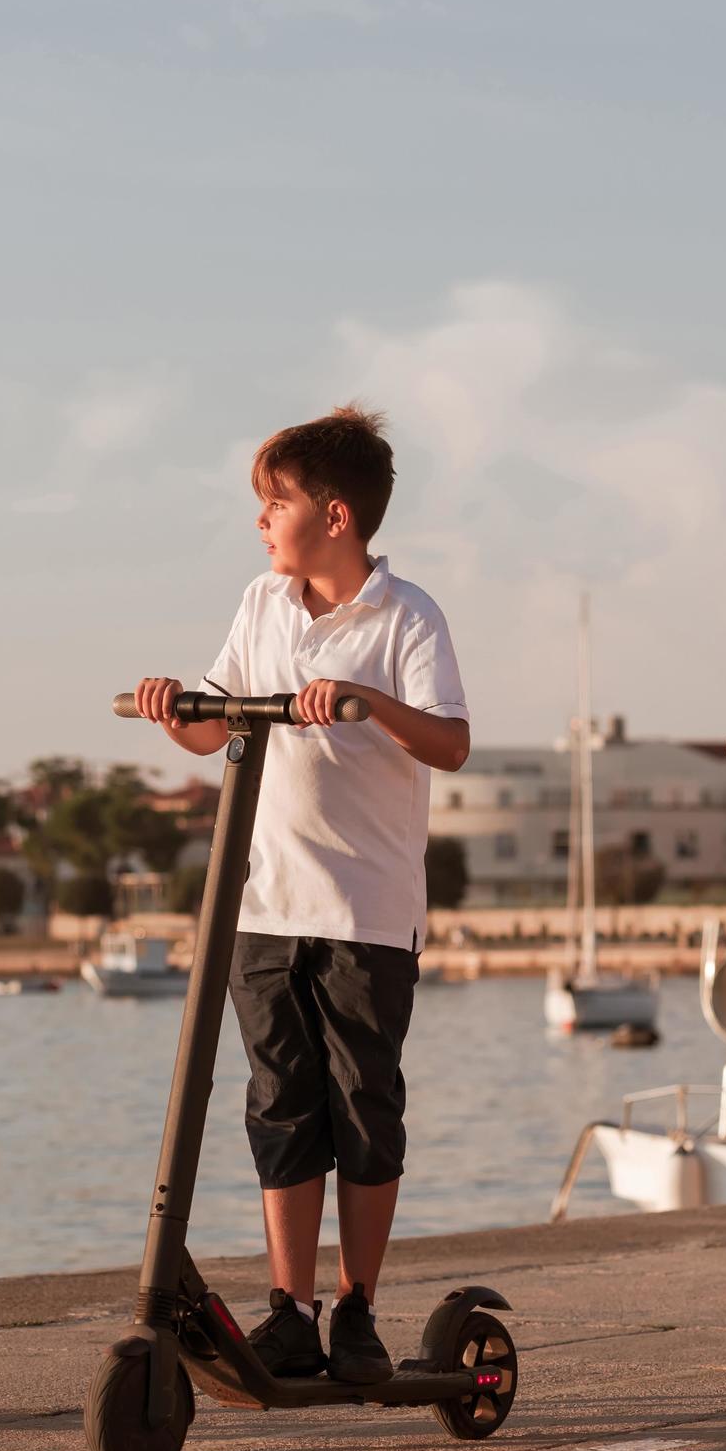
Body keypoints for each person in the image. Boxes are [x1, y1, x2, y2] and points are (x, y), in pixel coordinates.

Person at [131, 405, 470, 1385]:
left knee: (363, 1111)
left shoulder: (408, 617)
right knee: (279, 1106)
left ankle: (356, 1307)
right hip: (264, 909)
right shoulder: (261, 605)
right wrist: (171, 708)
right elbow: (217, 729)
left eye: (272, 503)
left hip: (365, 913)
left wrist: (359, 699)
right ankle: (290, 1305)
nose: (259, 521)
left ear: (332, 514)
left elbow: (450, 742)